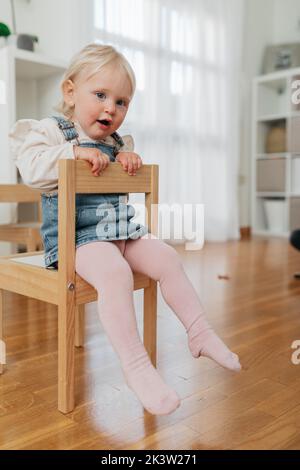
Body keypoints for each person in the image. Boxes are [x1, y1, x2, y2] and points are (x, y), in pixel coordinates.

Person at [9, 44, 241, 416]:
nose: (110, 109)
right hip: (76, 241)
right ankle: (136, 367)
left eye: (122, 102)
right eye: (100, 95)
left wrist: (128, 160)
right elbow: (31, 167)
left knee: (165, 256)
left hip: (122, 232)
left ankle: (199, 331)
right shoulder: (53, 133)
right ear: (70, 92)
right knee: (115, 274)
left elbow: (123, 169)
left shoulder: (118, 142)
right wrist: (72, 155)